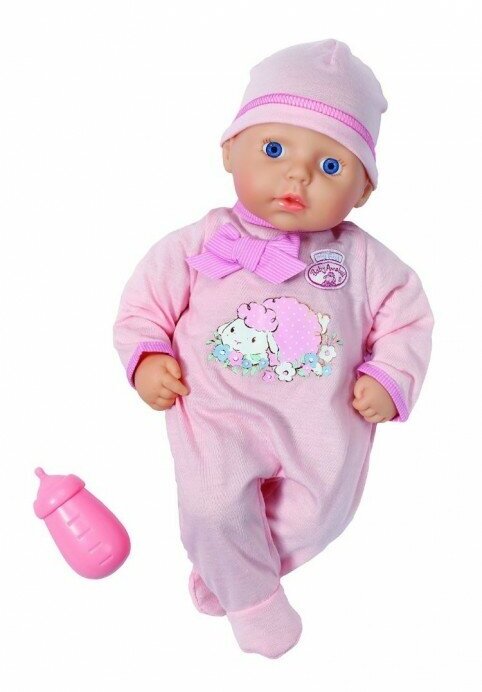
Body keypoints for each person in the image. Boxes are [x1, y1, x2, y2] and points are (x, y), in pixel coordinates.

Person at [113, 39, 434, 658]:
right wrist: (148, 357)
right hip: (218, 415)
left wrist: (391, 374)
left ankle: (230, 575)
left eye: (331, 165)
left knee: (322, 517)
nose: (298, 175)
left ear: (364, 190)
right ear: (228, 150)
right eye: (274, 149)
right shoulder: (199, 242)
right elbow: (143, 305)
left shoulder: (362, 259)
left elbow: (409, 318)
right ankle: (254, 603)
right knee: (214, 505)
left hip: (322, 423)